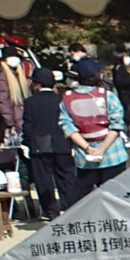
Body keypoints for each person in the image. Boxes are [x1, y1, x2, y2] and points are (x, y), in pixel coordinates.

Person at [61, 58, 128, 195]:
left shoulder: (67, 98)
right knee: (116, 196)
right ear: (97, 75)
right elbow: (116, 125)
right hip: (112, 154)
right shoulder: (107, 96)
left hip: (85, 156)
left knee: (84, 197)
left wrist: (88, 148)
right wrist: (101, 149)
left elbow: (67, 126)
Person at [21, 66, 80, 219]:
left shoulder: (30, 102)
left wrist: (27, 142)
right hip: (63, 144)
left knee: (44, 181)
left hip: (40, 146)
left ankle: (51, 212)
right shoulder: (62, 100)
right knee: (66, 179)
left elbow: (28, 125)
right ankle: (70, 208)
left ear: (37, 85)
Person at [0, 52, 31, 143]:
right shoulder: (3, 76)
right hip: (13, 125)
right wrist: (10, 123)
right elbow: (2, 101)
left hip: (20, 122)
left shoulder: (18, 74)